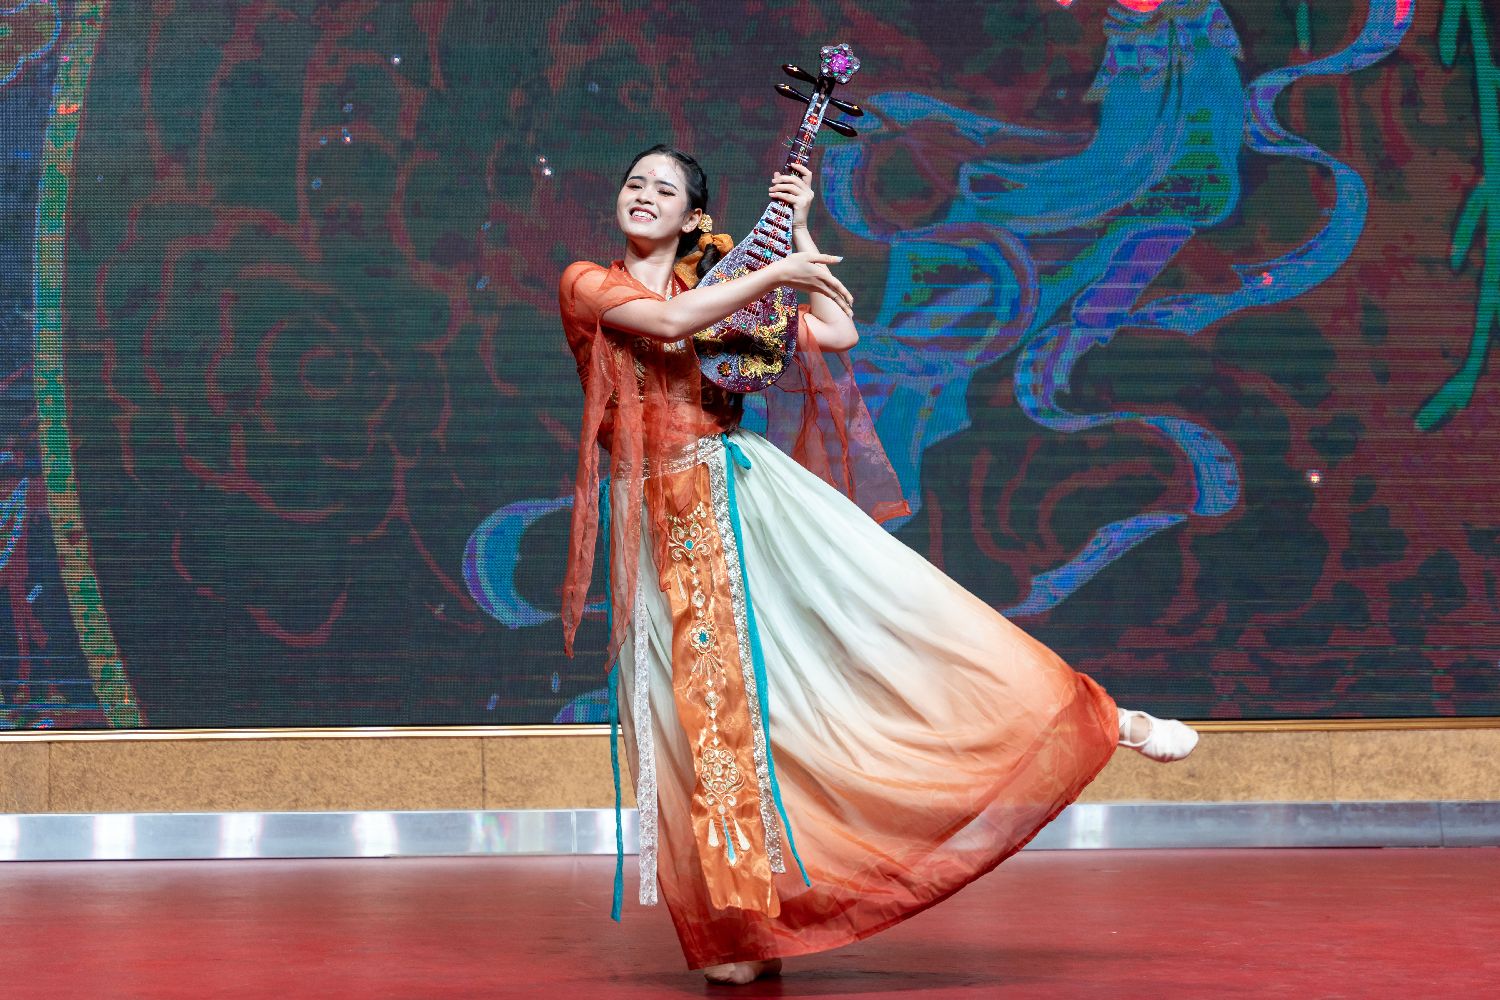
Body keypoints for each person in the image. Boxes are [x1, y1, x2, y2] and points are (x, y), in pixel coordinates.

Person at [557, 144, 1198, 986]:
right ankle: (744, 924)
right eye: (634, 181)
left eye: (663, 188)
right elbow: (670, 325)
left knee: (897, 627)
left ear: (692, 216)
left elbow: (837, 332)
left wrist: (801, 231)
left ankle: (1101, 719)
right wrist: (775, 270)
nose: (642, 194)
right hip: (658, 517)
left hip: (738, 498)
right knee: (705, 719)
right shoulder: (588, 283)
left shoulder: (717, 289)